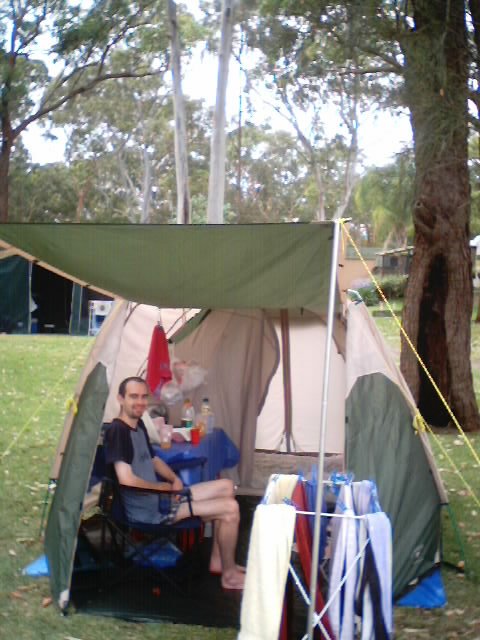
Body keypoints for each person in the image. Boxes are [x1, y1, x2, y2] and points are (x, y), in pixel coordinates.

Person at [105, 375, 245, 590]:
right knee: (230, 509)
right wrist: (160, 487)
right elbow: (126, 480)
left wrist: (174, 479)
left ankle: (218, 561)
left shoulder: (138, 425)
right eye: (133, 397)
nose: (140, 402)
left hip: (163, 499)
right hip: (152, 513)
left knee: (226, 486)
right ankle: (229, 575)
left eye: (143, 397)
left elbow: (154, 460)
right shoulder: (118, 431)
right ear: (120, 399)